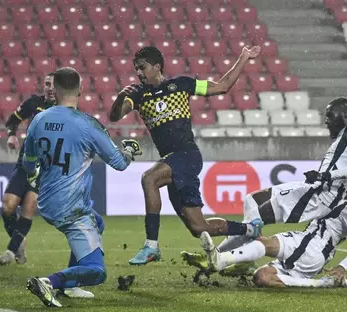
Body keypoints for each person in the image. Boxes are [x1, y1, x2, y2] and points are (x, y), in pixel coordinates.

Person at [108, 45, 263, 266]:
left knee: (149, 178)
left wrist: (244, 57)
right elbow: (115, 116)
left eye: (142, 68)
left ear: (157, 66)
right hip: (172, 161)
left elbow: (222, 86)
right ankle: (250, 228)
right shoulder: (138, 95)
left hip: (187, 155)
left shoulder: (181, 84)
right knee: (198, 227)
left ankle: (151, 245)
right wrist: (121, 96)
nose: (139, 73)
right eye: (136, 70)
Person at [23, 67, 143, 308]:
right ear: (81, 90)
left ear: (54, 91)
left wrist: (34, 176)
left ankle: (71, 285)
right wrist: (129, 150)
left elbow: (28, 160)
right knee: (97, 272)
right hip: (71, 207)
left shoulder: (38, 119)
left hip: (46, 201)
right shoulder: (87, 124)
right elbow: (119, 163)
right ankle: (50, 282)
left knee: (97, 223)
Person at [214, 97, 347, 255]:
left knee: (256, 216)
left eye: (330, 115)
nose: (326, 121)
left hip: (324, 195)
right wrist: (320, 176)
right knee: (251, 200)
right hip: (316, 187)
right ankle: (244, 255)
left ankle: (217, 255)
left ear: (345, 115)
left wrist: (324, 175)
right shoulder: (342, 137)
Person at [198, 169, 347, 289]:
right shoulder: (338, 194)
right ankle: (320, 283)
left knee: (263, 242)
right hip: (311, 252)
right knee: (261, 277)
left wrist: (342, 266)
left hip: (314, 245)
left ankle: (220, 259)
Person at [0, 73, 55, 266]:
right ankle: (19, 240)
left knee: (29, 207)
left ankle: (11, 251)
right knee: (7, 206)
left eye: (55, 85)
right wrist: (12, 135)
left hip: (45, 169)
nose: (50, 88)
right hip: (25, 163)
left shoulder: (66, 110)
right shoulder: (33, 103)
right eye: (47, 84)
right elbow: (12, 120)